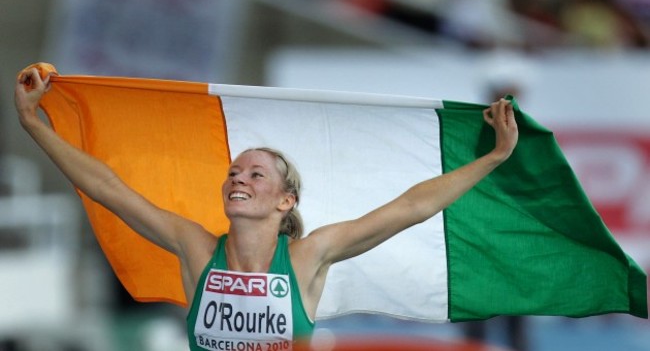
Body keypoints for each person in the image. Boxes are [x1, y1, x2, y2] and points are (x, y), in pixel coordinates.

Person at [14, 67, 518, 349]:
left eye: (256, 174)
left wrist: (493, 157)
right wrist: (35, 123)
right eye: (234, 172)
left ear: (285, 201)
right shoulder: (195, 248)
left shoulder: (307, 257)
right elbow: (108, 188)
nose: (238, 178)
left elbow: (410, 207)